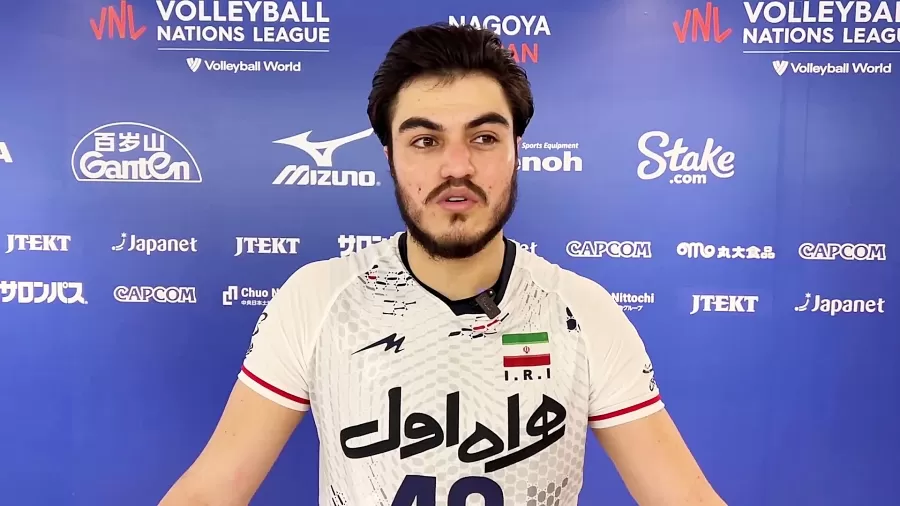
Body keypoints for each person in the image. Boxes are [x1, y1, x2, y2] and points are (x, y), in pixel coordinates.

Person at [158, 23, 727, 506]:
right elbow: (209, 492)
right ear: (390, 156)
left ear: (517, 150)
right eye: (425, 141)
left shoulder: (583, 312)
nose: (457, 166)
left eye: (484, 137)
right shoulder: (317, 299)